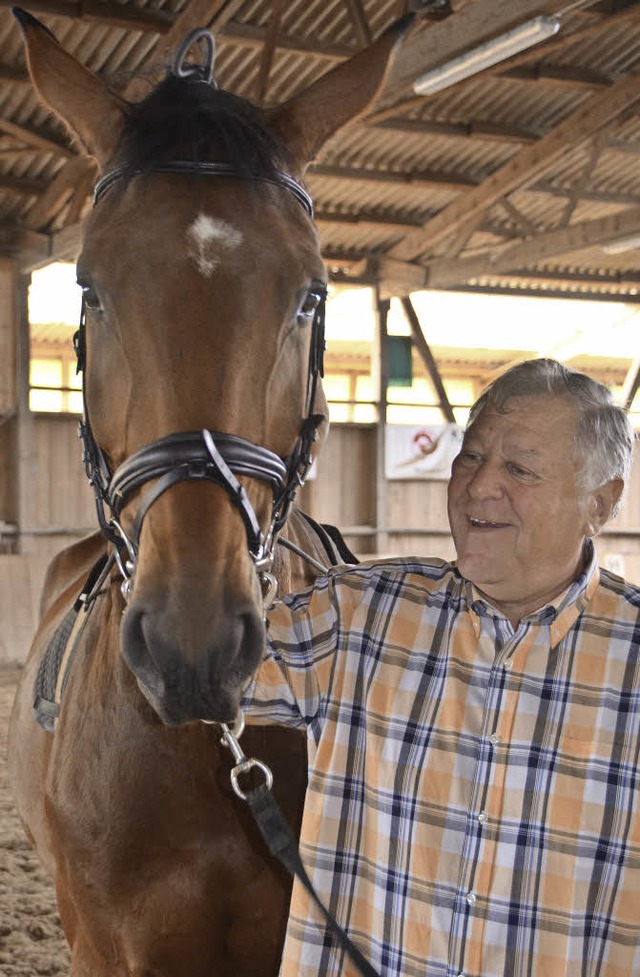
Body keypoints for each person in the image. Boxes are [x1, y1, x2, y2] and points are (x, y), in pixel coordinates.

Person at [244, 357, 640, 977]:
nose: (480, 486)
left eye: (520, 468)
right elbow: (198, 670)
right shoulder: (356, 613)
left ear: (601, 502)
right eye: (471, 456)